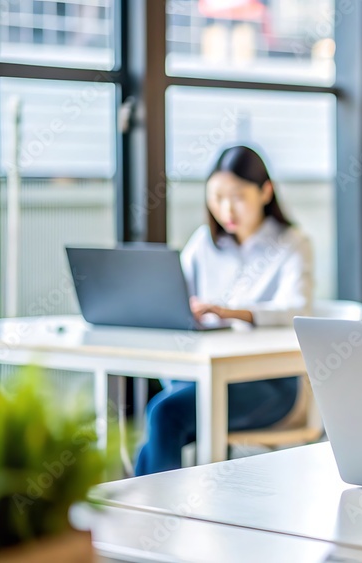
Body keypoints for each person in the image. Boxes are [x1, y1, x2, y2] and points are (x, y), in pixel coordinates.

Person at [134, 145, 314, 475]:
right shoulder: (204, 243)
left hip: (269, 384)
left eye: (238, 196)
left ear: (265, 191)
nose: (226, 208)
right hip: (203, 373)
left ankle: (152, 516)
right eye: (216, 197)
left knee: (164, 415)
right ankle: (158, 513)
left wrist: (231, 312)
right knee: (165, 420)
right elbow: (176, 295)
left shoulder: (292, 243)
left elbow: (297, 310)